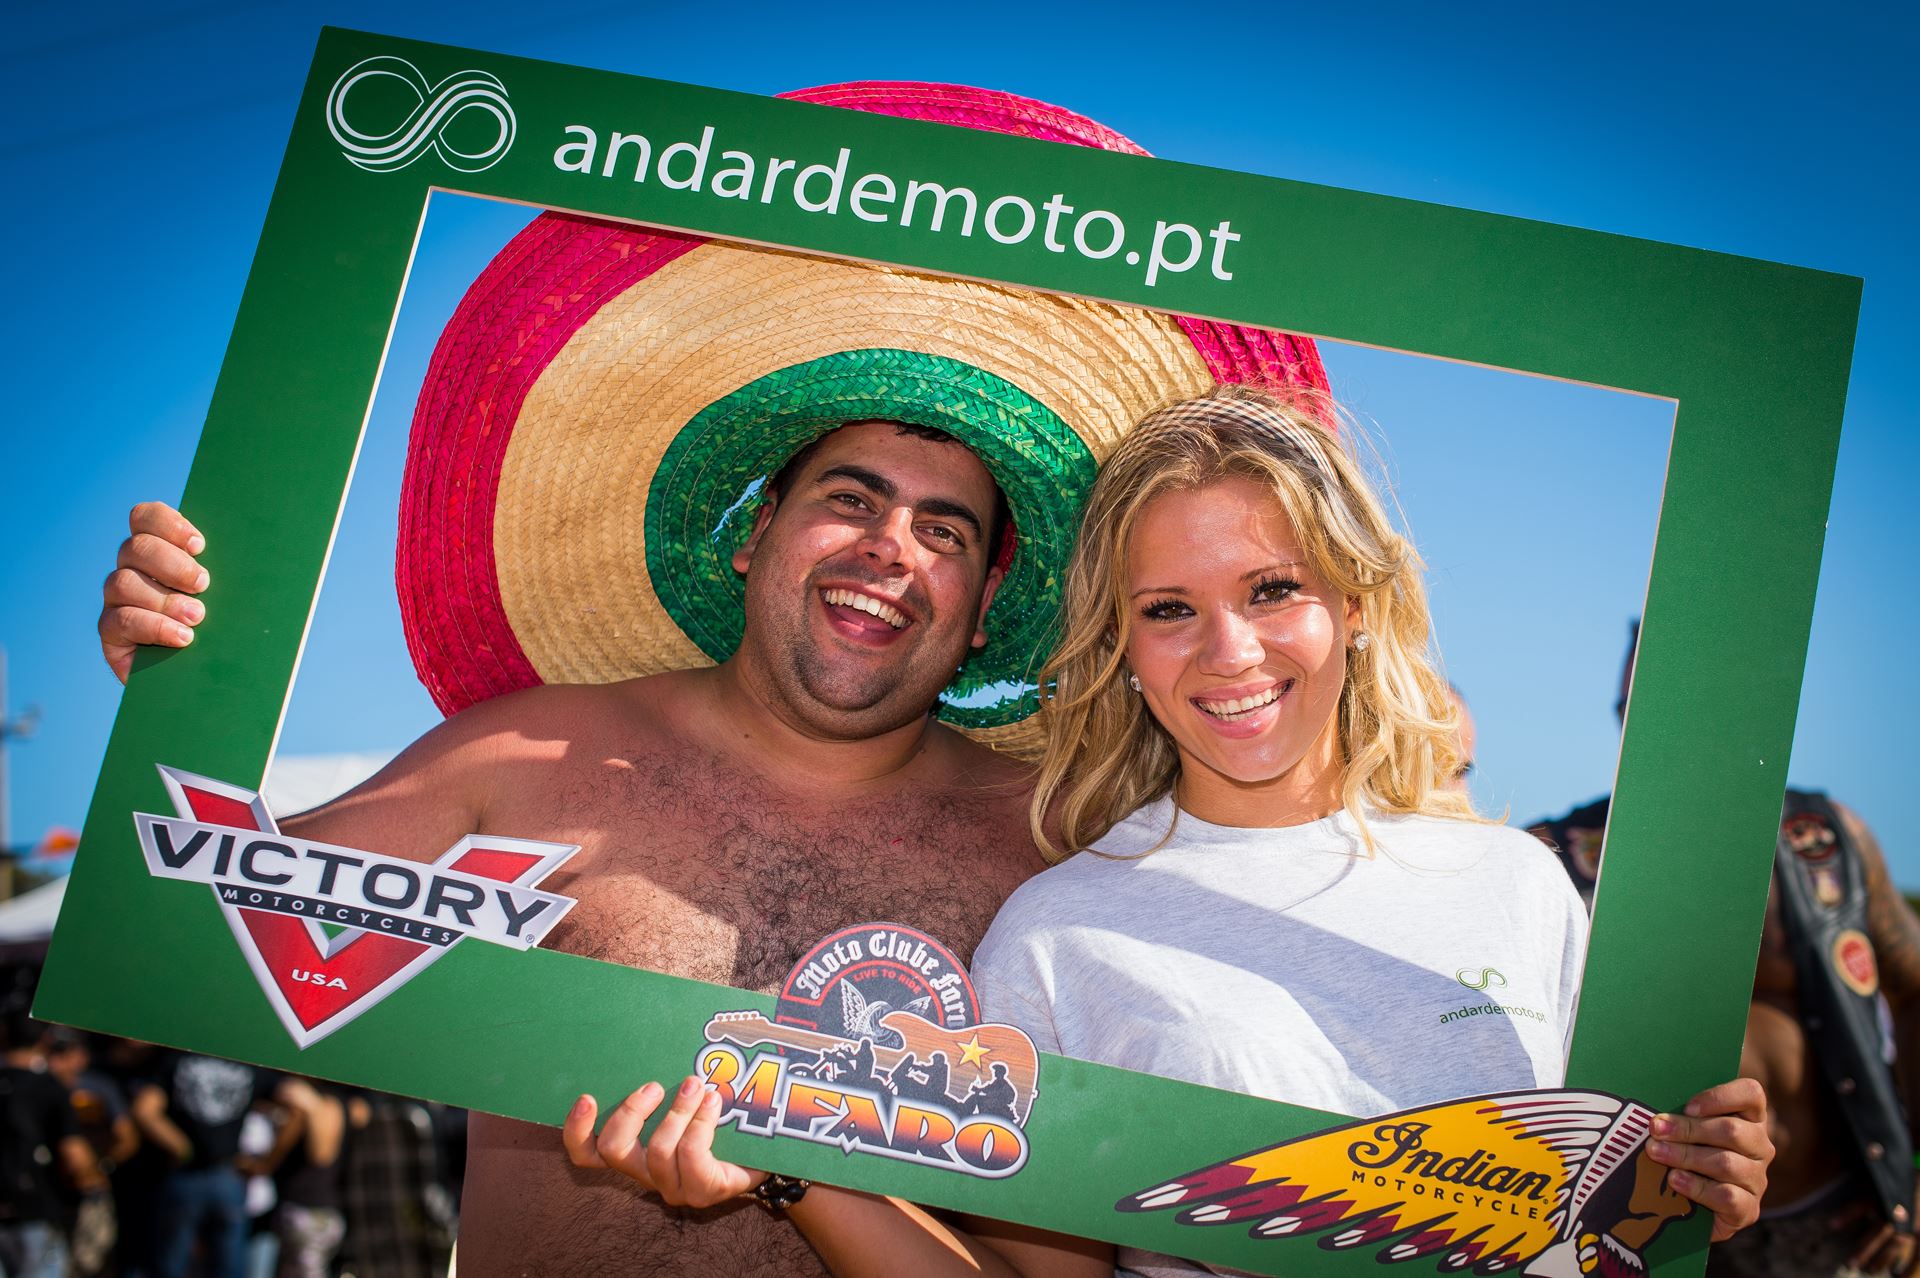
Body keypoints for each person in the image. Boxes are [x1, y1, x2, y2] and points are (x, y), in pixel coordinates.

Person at [563, 387, 1774, 1276]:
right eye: (1169, 610)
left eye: (1273, 590)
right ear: (1123, 648)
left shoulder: (1518, 883)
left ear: (1354, 604)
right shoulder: (1060, 934)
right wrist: (789, 1164)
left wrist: (1698, 1177)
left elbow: (1609, 1222)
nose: (1229, 652)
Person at [1533, 622, 1920, 1277]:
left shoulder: (1826, 841)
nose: (1659, 733)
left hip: (1842, 1220)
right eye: (1639, 711)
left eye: (1686, 708)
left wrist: (1911, 1181)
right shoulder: (1557, 859)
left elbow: (1914, 990)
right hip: (1654, 1235)